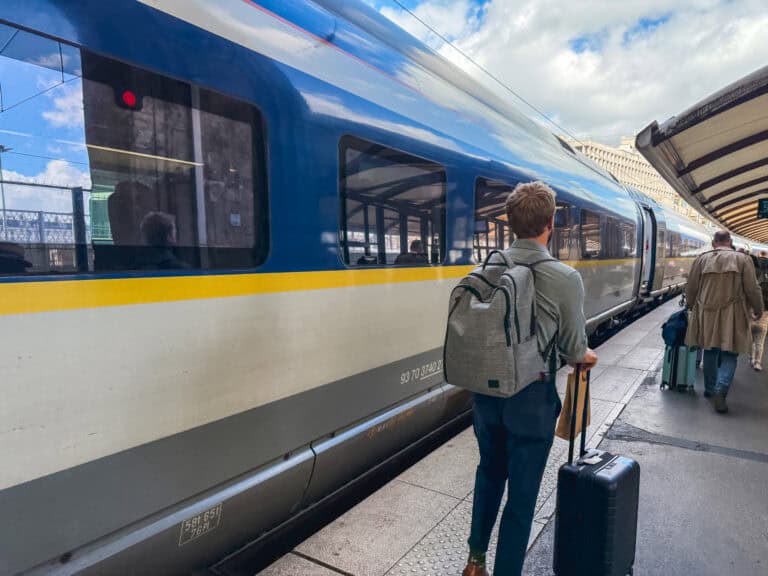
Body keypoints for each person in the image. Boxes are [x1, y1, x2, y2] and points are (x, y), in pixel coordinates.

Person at [463, 181, 597, 576]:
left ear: (510, 220)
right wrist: (587, 356)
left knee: (489, 473)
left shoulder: (487, 268)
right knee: (521, 499)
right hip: (531, 399)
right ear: (550, 222)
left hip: (486, 393)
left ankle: (474, 563)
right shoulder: (564, 278)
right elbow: (575, 348)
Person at [685, 230, 763, 413]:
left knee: (710, 350)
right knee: (730, 353)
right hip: (733, 314)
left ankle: (710, 390)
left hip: (707, 313)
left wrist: (689, 305)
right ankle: (721, 388)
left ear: (713, 243)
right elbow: (752, 288)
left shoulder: (701, 260)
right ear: (730, 242)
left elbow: (691, 287)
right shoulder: (743, 260)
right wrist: (758, 309)